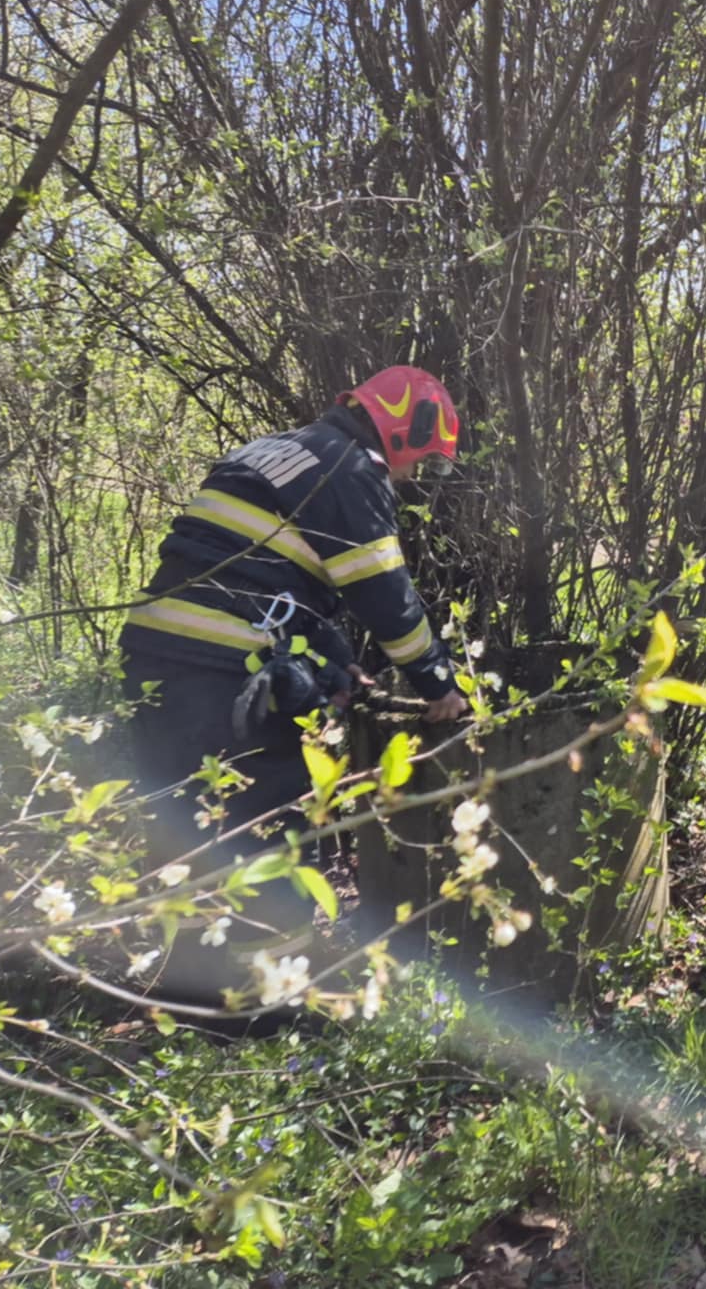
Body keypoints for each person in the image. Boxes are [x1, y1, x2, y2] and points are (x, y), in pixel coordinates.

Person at [119, 366, 471, 1000]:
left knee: (195, 825)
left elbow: (279, 587)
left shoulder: (280, 451)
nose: (417, 477)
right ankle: (262, 1007)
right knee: (266, 831)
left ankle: (188, 991)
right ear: (405, 428)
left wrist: (338, 666)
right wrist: (436, 682)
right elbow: (385, 596)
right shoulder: (351, 469)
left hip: (158, 657)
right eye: (427, 461)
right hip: (222, 673)